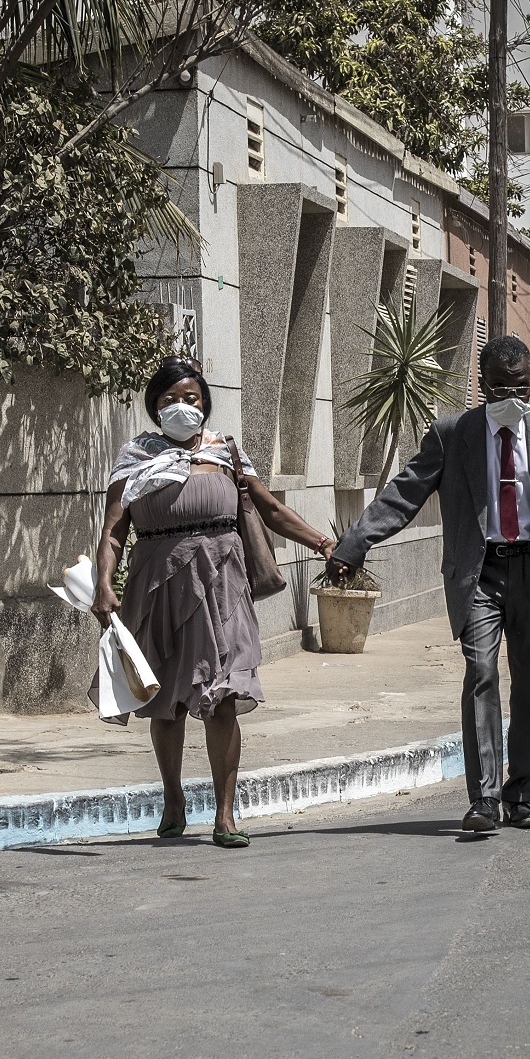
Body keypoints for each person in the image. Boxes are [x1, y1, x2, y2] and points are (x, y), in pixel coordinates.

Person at [327, 336, 530, 833]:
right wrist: (355, 542)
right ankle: (486, 799)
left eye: (519, 386)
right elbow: (405, 492)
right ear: (481, 382)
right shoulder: (453, 434)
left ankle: (520, 795)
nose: (510, 395)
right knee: (481, 674)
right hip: (480, 573)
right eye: (499, 386)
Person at [93, 355, 333, 849]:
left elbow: (270, 510)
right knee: (166, 704)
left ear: (205, 404)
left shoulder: (226, 453)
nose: (182, 407)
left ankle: (225, 814)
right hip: (158, 586)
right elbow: (114, 530)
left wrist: (323, 543)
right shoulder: (135, 458)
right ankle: (173, 798)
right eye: (169, 400)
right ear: (153, 407)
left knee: (223, 696)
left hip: (223, 585)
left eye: (191, 399)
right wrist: (103, 582)